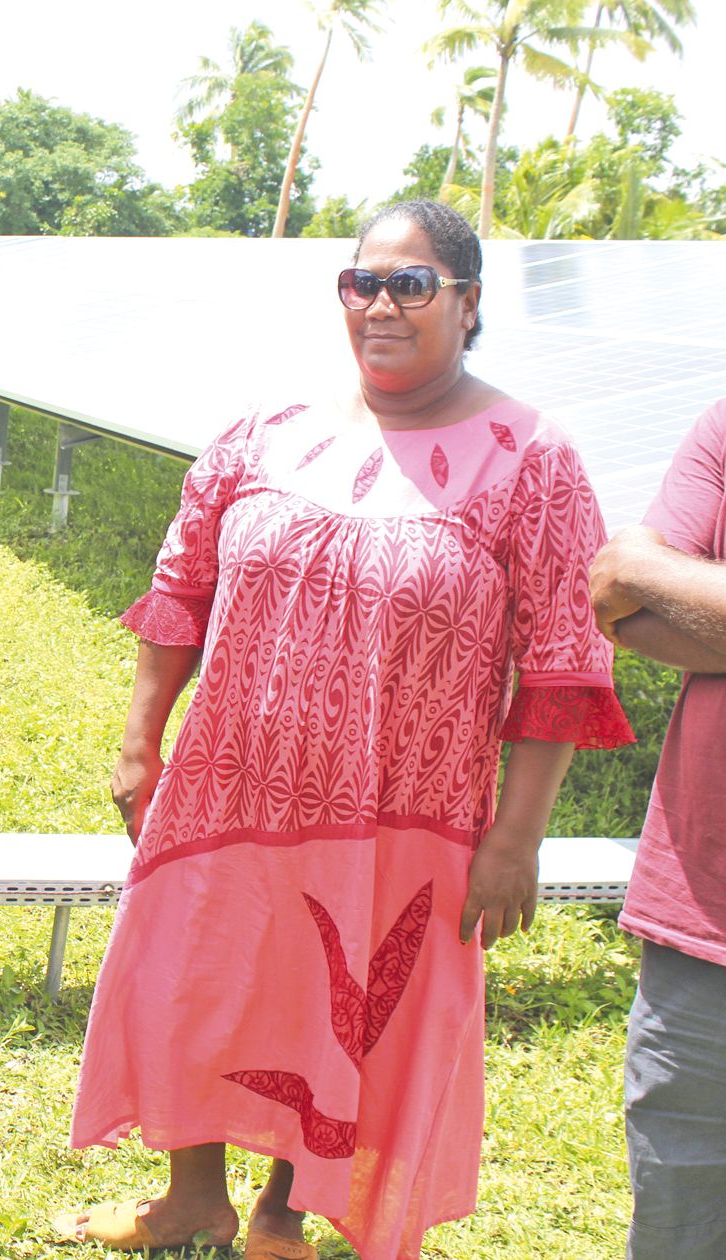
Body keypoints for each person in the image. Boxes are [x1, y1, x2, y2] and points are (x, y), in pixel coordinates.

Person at [55, 200, 633, 1259]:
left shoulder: (532, 458)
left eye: (411, 285)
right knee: (203, 980)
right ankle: (193, 1197)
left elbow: (562, 659)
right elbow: (180, 585)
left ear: (468, 304)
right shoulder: (267, 427)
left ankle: (284, 1211)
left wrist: (517, 837)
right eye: (360, 282)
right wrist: (144, 739)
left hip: (400, 812)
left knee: (346, 1006)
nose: (379, 304)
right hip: (229, 788)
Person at [589, 403, 726, 1260]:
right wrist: (643, 569)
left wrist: (674, 576)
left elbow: (651, 576)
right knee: (678, 1224)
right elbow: (619, 593)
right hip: (702, 924)